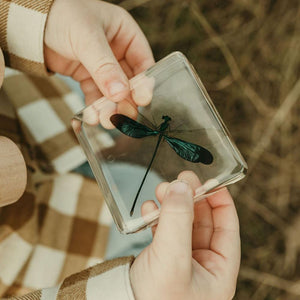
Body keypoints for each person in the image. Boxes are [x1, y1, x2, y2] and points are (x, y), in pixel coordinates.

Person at [0, 0, 241, 299]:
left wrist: (43, 23)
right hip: (27, 244)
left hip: (25, 114)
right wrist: (132, 291)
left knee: (83, 91)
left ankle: (103, 147)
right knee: (146, 201)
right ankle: (107, 148)